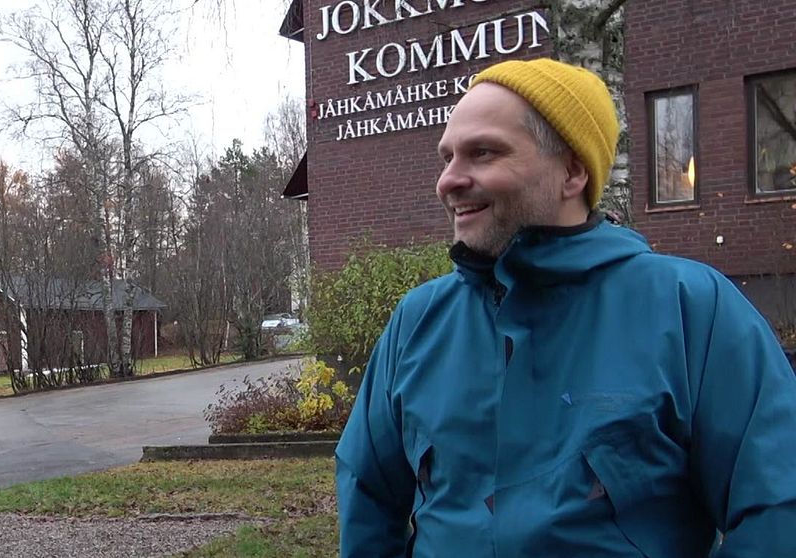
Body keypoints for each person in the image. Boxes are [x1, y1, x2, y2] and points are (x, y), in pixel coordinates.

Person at [335, 58, 796, 557]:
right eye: (446, 158)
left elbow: (777, 507)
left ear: (572, 171)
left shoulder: (690, 309)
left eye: (482, 152)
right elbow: (368, 494)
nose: (448, 181)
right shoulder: (418, 320)